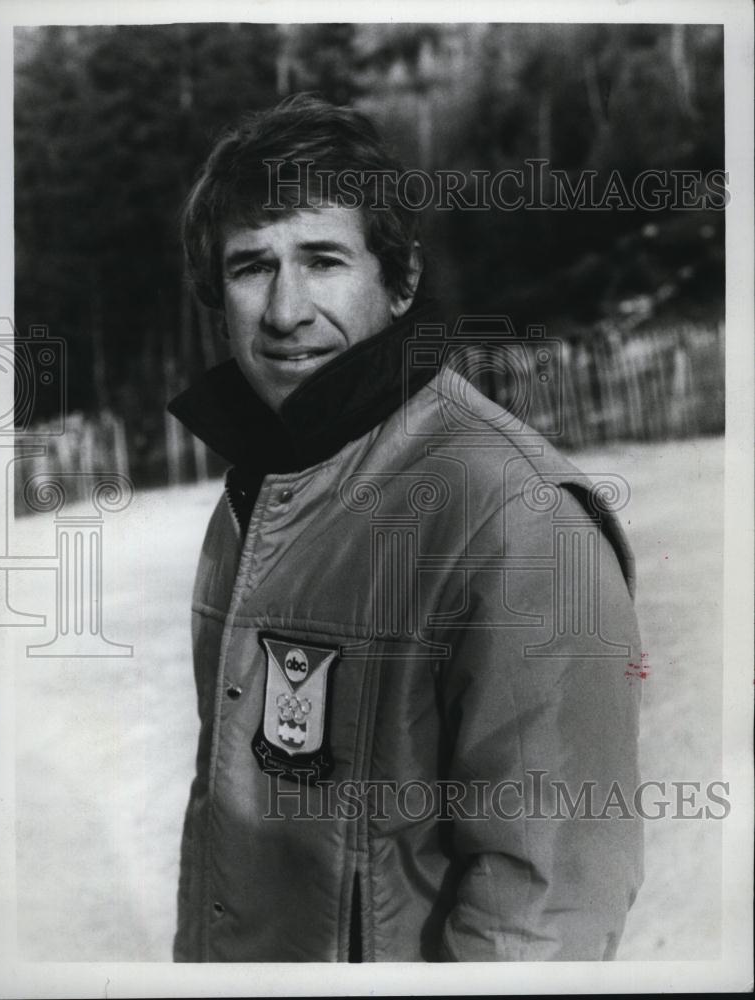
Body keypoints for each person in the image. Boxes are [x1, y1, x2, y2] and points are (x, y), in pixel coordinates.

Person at [168, 93, 643, 963]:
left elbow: (545, 904)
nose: (285, 310)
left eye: (322, 260)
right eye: (250, 266)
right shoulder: (256, 490)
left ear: (402, 281)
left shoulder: (511, 511)